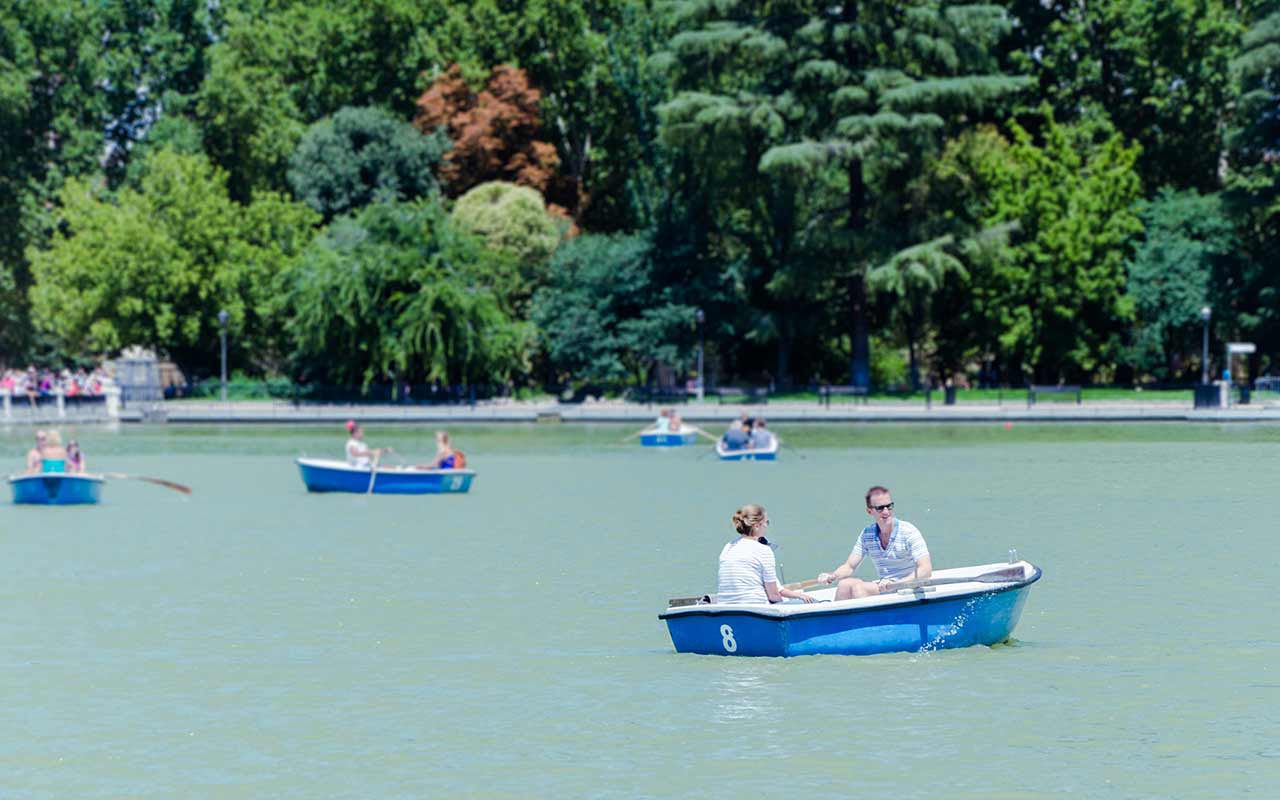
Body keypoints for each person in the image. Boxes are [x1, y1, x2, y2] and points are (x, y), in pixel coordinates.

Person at [818, 486, 932, 600]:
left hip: (908, 587)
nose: (886, 511)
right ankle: (840, 618)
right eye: (880, 508)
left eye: (889, 506)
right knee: (844, 585)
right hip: (885, 586)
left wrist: (897, 584)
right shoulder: (867, 534)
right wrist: (832, 576)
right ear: (869, 511)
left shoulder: (909, 531)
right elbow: (849, 566)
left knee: (859, 588)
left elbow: (926, 569)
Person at [718, 504, 816, 605]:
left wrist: (799, 596)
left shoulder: (728, 547)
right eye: (766, 522)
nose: (767, 526)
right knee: (816, 603)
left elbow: (776, 589)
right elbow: (773, 595)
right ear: (757, 525)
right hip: (756, 607)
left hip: (726, 607)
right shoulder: (763, 550)